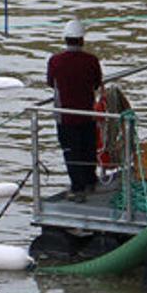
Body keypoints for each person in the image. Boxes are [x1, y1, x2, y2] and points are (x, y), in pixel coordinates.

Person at [46, 18, 103, 201]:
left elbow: (50, 83)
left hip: (65, 117)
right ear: (82, 40)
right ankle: (90, 181)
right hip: (87, 114)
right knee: (88, 148)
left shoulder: (55, 61)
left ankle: (78, 188)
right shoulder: (91, 61)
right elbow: (96, 83)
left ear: (65, 39)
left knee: (71, 152)